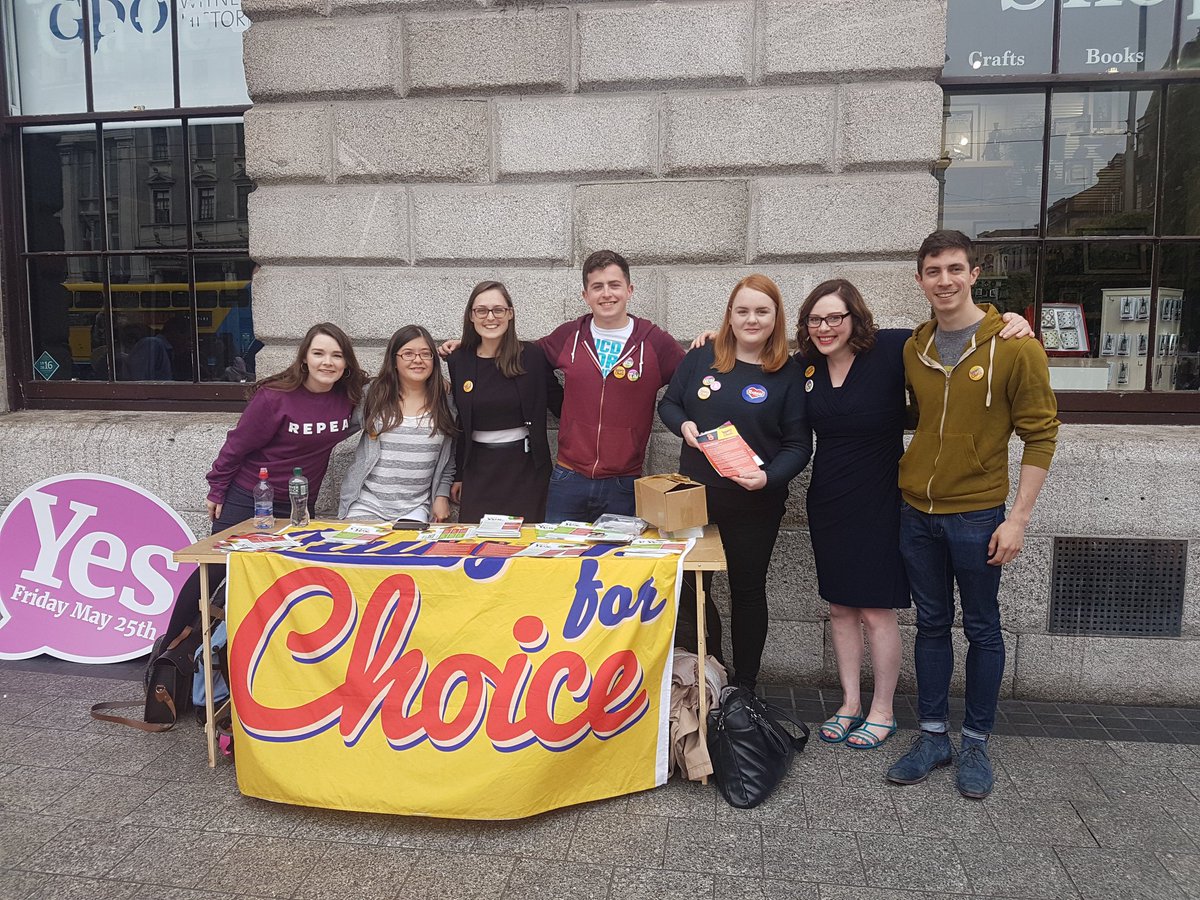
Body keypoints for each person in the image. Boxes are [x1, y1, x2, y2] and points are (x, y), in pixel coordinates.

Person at [800, 280, 1034, 751]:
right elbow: (753, 362)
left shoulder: (892, 348)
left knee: (875, 608)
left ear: (855, 318)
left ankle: (883, 710)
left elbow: (955, 336)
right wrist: (712, 338)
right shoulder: (805, 366)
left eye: (835, 317)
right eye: (815, 319)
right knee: (840, 607)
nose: (825, 328)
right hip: (828, 499)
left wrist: (1010, 321)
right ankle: (850, 703)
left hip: (883, 497)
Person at [887, 229, 1058, 799]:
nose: (945, 281)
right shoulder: (915, 348)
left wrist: (1019, 519)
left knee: (982, 627)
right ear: (920, 280)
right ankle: (933, 736)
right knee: (931, 625)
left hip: (979, 516)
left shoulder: (1015, 346)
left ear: (974, 275)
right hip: (917, 513)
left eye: (955, 269)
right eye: (933, 271)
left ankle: (977, 742)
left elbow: (1041, 435)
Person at [441, 250, 685, 522]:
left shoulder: (655, 343)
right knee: (554, 549)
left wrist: (713, 344)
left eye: (614, 285)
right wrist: (472, 347)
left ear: (629, 290)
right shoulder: (569, 336)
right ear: (585, 295)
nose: (606, 294)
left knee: (613, 551)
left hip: (624, 481)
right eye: (597, 287)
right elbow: (516, 353)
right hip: (568, 478)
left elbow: (692, 376)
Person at [165, 322, 367, 639]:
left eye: (336, 355)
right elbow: (237, 445)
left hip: (298, 504)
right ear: (304, 358)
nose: (327, 362)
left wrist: (442, 361)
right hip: (249, 497)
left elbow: (397, 381)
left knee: (280, 576)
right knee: (215, 569)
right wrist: (217, 489)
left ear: (346, 363)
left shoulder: (350, 396)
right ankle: (169, 646)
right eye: (318, 354)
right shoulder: (275, 397)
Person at [659, 274, 811, 690]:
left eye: (762, 311)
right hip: (695, 499)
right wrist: (683, 425)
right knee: (693, 590)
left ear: (776, 317)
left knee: (747, 591)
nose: (751, 319)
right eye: (742, 311)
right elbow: (669, 404)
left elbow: (799, 445)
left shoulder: (789, 373)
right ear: (729, 314)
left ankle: (744, 685)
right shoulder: (702, 356)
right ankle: (712, 672)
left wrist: (768, 478)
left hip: (754, 502)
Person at [446, 281, 563, 523]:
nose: (490, 317)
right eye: (481, 310)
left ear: (510, 314)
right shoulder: (459, 360)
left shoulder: (532, 357)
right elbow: (461, 424)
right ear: (471, 316)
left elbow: (562, 406)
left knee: (525, 541)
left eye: (498, 310)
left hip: (526, 471)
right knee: (476, 540)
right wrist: (458, 475)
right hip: (478, 470)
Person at [339, 325, 458, 523]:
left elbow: (450, 455)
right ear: (394, 360)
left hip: (416, 508)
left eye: (425, 354)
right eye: (408, 354)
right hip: (366, 503)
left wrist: (442, 495)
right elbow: (335, 430)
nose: (418, 360)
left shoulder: (446, 400)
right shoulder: (374, 394)